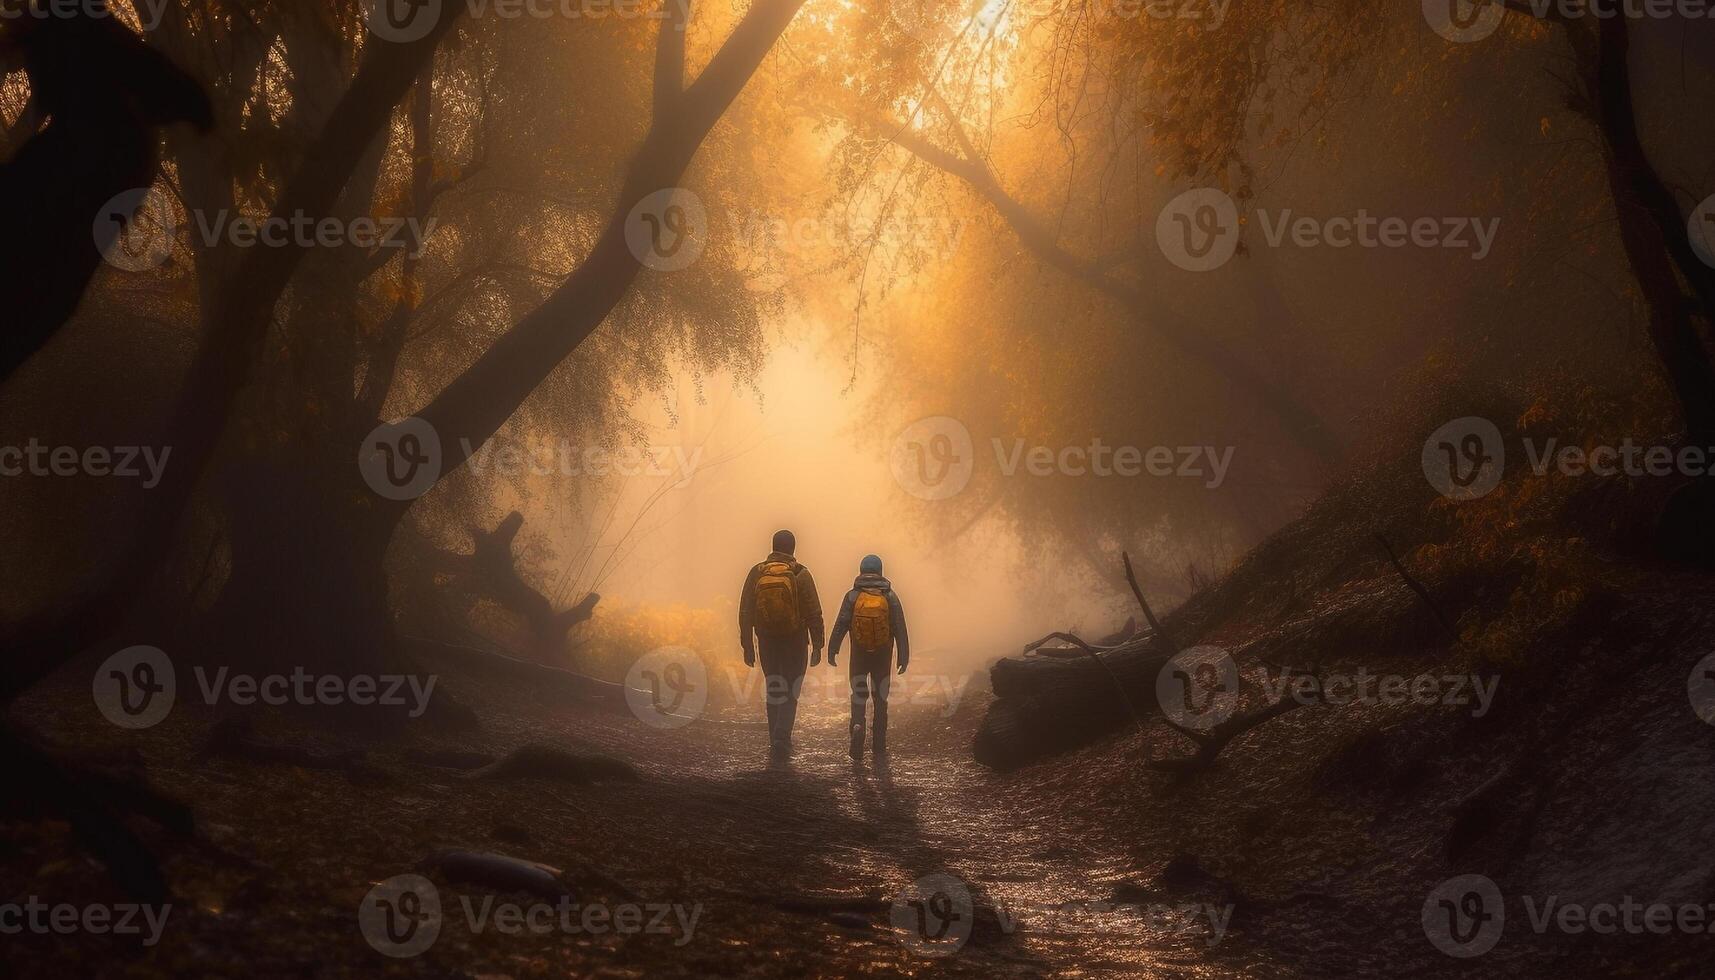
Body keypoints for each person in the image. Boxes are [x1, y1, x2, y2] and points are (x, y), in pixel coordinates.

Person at [738, 529, 825, 753]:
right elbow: (814, 612)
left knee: (774, 686)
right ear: (793, 549)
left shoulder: (756, 573)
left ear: (772, 546)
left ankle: (774, 737)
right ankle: (781, 737)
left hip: (766, 639)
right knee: (791, 688)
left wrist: (747, 645)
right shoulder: (801, 573)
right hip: (795, 640)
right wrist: (818, 645)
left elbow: (745, 612)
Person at [828, 554, 908, 761]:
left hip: (859, 655)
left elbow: (841, 624)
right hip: (882, 655)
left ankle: (857, 726)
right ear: (880, 571)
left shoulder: (853, 596)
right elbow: (900, 627)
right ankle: (879, 745)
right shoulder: (890, 596)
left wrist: (832, 649)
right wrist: (903, 655)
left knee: (858, 694)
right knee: (881, 699)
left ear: (861, 571)